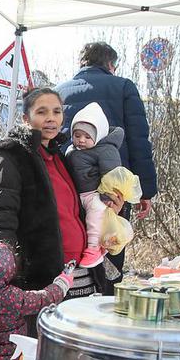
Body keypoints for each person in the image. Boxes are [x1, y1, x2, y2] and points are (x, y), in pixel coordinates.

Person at [0, 88, 94, 297]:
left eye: (56, 112)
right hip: (39, 279)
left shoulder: (59, 156)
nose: (51, 118)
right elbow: (2, 218)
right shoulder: (10, 156)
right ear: (26, 118)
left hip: (77, 271)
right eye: (42, 112)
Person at [56, 42, 158, 225]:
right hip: (112, 190)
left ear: (82, 63)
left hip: (69, 185)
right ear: (110, 65)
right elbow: (138, 141)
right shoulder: (123, 87)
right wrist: (145, 190)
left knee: (73, 247)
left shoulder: (59, 91)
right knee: (110, 243)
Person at [65, 102, 126, 269]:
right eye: (77, 135)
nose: (81, 140)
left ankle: (94, 249)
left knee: (95, 216)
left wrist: (107, 194)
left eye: (87, 136)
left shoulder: (106, 150)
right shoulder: (71, 150)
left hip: (95, 194)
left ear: (97, 136)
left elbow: (111, 173)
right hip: (79, 194)